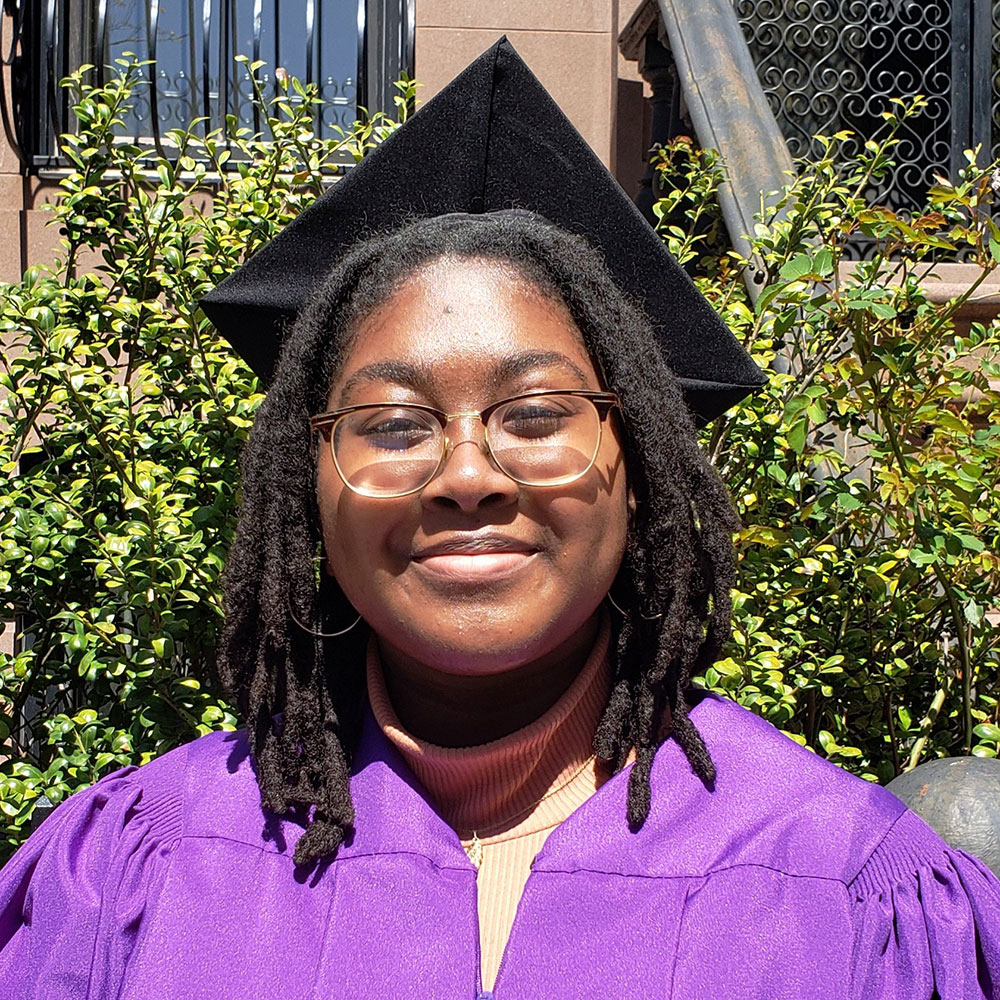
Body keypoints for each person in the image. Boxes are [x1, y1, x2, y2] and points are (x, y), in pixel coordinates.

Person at [2, 39, 999, 1000]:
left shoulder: (848, 889)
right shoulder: (137, 875)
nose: (467, 476)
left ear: (637, 466)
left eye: (536, 415)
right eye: (393, 423)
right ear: (310, 483)